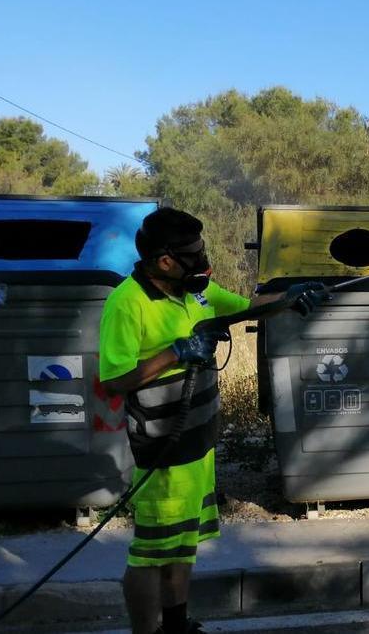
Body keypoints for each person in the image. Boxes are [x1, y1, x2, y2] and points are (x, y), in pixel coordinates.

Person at [99, 208, 325, 634]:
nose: (204, 261)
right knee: (150, 554)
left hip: (197, 447)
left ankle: (177, 625)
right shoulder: (126, 304)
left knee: (183, 546)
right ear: (165, 260)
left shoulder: (194, 293)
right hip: (161, 452)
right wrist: (176, 352)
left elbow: (246, 308)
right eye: (194, 253)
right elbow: (114, 380)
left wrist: (289, 297)